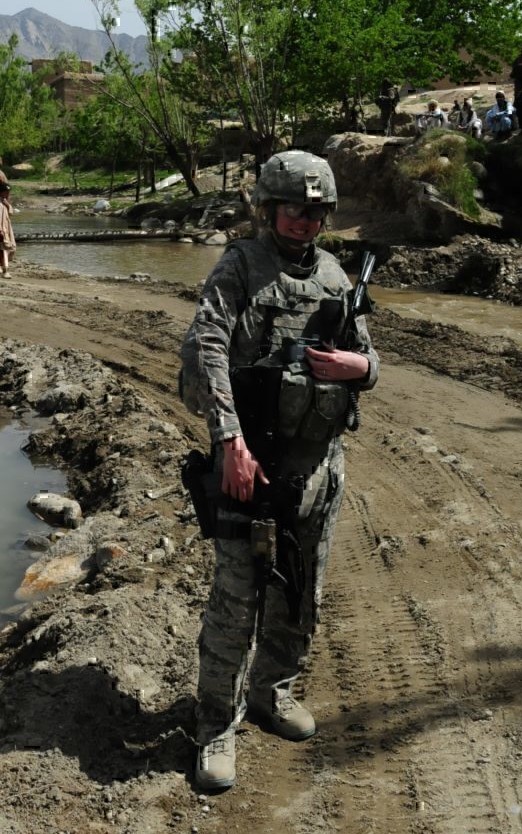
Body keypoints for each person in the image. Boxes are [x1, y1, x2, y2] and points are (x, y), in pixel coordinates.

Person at [180, 151, 379, 791]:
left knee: (300, 591)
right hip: (250, 464)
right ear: (268, 208)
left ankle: (275, 692)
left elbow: (369, 358)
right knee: (236, 601)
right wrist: (229, 439)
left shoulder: (336, 276)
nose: (303, 220)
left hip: (317, 468)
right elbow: (204, 346)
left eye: (315, 210)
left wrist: (360, 369)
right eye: (293, 208)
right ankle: (216, 725)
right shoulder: (240, 265)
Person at [0, 182, 16, 278]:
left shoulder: (4, 203)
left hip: (6, 229)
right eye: (6, 192)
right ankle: (6, 269)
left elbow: (11, 213)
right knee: (5, 249)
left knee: (3, 249)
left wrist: (7, 205)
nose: (8, 194)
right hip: (2, 230)